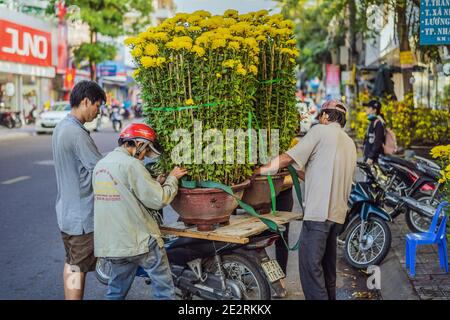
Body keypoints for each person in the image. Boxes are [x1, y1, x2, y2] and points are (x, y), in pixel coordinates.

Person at [254, 100, 357, 300]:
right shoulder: (349, 143)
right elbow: (318, 174)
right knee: (327, 268)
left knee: (311, 269)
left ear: (326, 116)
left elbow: (287, 158)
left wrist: (261, 170)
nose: (320, 118)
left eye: (321, 115)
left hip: (318, 215)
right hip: (336, 217)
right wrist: (295, 171)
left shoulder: (320, 131)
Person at [93, 123, 187, 300]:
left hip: (113, 244)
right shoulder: (132, 165)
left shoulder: (101, 165)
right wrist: (172, 178)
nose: (144, 157)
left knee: (116, 291)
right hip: (139, 241)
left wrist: (153, 181)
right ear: (138, 144)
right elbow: (159, 199)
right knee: (164, 290)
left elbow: (123, 193)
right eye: (145, 150)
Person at [52, 80, 106, 300]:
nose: (98, 112)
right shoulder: (76, 134)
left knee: (72, 263)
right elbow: (101, 169)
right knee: (77, 268)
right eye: (97, 106)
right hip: (82, 219)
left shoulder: (62, 127)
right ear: (85, 101)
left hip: (67, 213)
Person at [363, 100, 385, 165]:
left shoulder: (378, 123)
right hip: (369, 157)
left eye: (368, 107)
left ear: (374, 110)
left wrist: (370, 157)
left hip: (374, 160)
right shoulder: (372, 121)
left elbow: (378, 141)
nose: (366, 109)